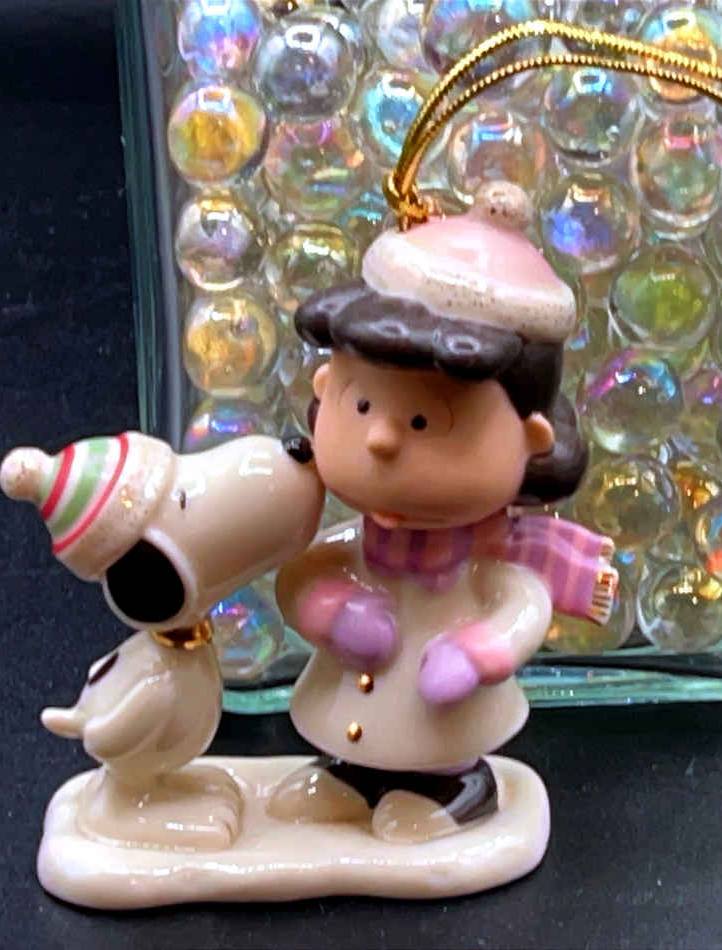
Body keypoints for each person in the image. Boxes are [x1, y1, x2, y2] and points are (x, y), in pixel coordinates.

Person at [268, 182, 618, 843]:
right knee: (353, 744)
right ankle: (351, 778)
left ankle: (457, 787)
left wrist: (477, 653)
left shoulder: (484, 562)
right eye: (360, 404)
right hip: (349, 703)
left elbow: (522, 605)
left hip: (449, 717)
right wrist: (329, 610)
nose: (380, 439)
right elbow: (299, 576)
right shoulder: (356, 544)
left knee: (441, 744)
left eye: (424, 421)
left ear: (530, 439)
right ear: (324, 387)